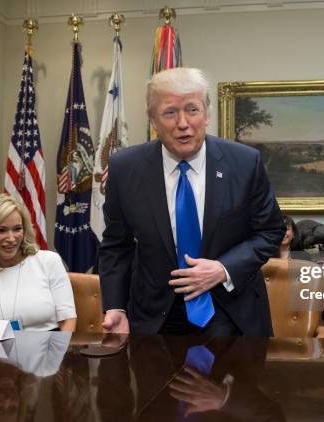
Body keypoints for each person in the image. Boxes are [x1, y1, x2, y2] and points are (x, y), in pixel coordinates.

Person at [99, 67, 285, 336]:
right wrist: (115, 306)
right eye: (170, 112)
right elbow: (116, 245)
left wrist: (223, 269)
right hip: (156, 318)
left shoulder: (244, 163)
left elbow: (270, 232)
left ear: (207, 114)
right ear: (153, 119)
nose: (183, 123)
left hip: (230, 313)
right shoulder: (125, 168)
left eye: (192, 109)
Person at [0, 194, 76, 331]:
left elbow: (68, 320)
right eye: (1, 230)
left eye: (17, 229)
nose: (11, 238)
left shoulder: (49, 261)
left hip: (48, 348)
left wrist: (58, 352)